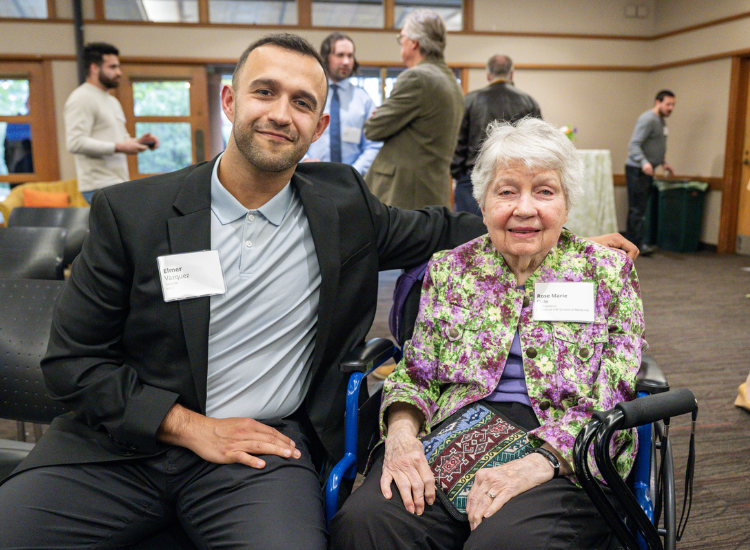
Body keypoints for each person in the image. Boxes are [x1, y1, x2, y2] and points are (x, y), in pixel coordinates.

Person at [0, 34, 636, 549]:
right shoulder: (130, 213)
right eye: (265, 92)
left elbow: (444, 226)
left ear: (320, 122)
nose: (281, 113)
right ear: (229, 100)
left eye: (302, 102)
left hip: (263, 449)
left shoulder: (341, 203)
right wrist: (188, 426)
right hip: (119, 450)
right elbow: (70, 365)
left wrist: (556, 236)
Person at [331, 118, 647, 550]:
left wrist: (540, 462)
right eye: (507, 190)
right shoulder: (450, 269)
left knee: (504, 542)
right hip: (456, 428)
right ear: (482, 204)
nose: (524, 208)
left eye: (544, 191)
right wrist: (403, 437)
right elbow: (415, 374)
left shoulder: (607, 273)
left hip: (570, 440)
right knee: (366, 521)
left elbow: (614, 395)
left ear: (567, 204)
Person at [364, 9, 464, 209]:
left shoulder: (417, 78)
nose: (401, 42)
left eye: (402, 37)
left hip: (404, 194)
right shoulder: (451, 81)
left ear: (414, 43)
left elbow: (373, 129)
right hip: (432, 190)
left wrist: (382, 114)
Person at [64, 42, 160, 204]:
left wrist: (138, 142)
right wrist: (120, 147)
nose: (119, 72)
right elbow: (75, 143)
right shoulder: (81, 98)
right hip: (98, 186)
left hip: (117, 182)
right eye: (113, 67)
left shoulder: (112, 101)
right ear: (94, 68)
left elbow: (119, 141)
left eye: (118, 67)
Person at [451, 54, 541, 217]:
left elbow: (457, 143)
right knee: (510, 235)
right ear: (511, 74)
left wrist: (459, 175)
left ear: (488, 74)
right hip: (516, 182)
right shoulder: (528, 102)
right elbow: (537, 146)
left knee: (469, 235)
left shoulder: (470, 100)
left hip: (473, 179)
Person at [303, 32, 382, 175]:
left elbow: (373, 145)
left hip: (353, 181)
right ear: (326, 57)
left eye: (350, 56)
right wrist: (304, 160)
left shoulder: (364, 100)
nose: (346, 61)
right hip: (311, 176)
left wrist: (353, 172)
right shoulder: (308, 95)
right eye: (340, 55)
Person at [625, 90, 676, 256]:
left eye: (673, 105)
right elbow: (634, 144)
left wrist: (663, 163)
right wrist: (644, 162)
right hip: (637, 169)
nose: (671, 108)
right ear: (657, 102)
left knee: (641, 208)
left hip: (648, 168)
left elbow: (655, 146)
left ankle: (637, 243)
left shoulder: (661, 121)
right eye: (668, 104)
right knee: (636, 209)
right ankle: (634, 245)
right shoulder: (648, 119)